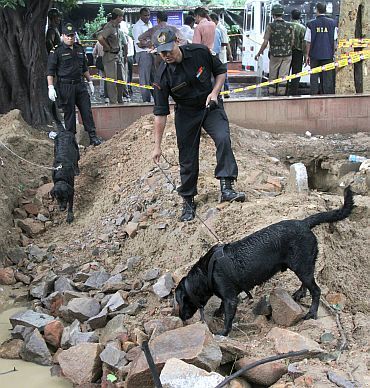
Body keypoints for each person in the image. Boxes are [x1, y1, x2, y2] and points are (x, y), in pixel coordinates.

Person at [151, 28, 245, 222]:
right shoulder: (162, 76)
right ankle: (188, 200)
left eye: (168, 49)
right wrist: (157, 146)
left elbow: (220, 72)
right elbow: (160, 114)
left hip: (210, 105)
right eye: (162, 52)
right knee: (187, 156)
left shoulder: (200, 52)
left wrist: (215, 93)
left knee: (223, 138)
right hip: (186, 113)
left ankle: (227, 187)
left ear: (177, 41)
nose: (166, 55)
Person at [47, 23, 102, 146]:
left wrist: (90, 82)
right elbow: (50, 71)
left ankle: (93, 137)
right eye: (67, 36)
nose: (70, 38)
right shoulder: (57, 51)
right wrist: (50, 87)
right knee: (69, 113)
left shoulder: (79, 48)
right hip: (65, 86)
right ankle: (71, 140)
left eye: (72, 36)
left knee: (86, 111)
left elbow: (84, 68)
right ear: (62, 36)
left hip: (80, 84)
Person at [254, 4, 293, 96]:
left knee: (273, 75)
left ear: (273, 14)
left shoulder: (270, 26)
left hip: (274, 55)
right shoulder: (289, 26)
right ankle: (281, 94)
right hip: (287, 55)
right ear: (282, 14)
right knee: (283, 76)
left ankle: (272, 93)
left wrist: (259, 53)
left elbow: (265, 42)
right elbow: (292, 41)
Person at [305, 3, 337, 95]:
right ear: (325, 10)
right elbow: (334, 40)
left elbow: (308, 41)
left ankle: (314, 95)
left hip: (314, 55)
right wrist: (334, 53)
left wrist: (307, 55)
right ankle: (327, 95)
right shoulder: (332, 23)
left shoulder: (311, 24)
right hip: (328, 55)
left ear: (316, 10)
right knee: (328, 78)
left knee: (314, 77)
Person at [97, 8, 126, 104]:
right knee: (111, 81)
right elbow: (100, 38)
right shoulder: (109, 26)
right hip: (109, 56)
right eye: (121, 16)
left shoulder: (117, 27)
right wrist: (107, 47)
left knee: (121, 79)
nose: (122, 18)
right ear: (117, 17)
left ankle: (120, 99)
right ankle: (113, 102)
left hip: (118, 56)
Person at [132, 8, 153, 102]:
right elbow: (139, 43)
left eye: (148, 15)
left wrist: (148, 42)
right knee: (144, 78)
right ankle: (146, 100)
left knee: (153, 77)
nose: (147, 17)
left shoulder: (150, 24)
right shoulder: (137, 26)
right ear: (140, 15)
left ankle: (156, 99)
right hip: (143, 53)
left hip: (151, 52)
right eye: (145, 15)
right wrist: (150, 43)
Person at [210, 13, 232, 97]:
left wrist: (216, 44)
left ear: (215, 20)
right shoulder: (214, 28)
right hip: (215, 55)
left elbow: (226, 43)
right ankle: (217, 93)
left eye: (211, 20)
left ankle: (226, 92)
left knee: (224, 75)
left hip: (221, 55)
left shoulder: (221, 29)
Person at [289, 9, 306, 95]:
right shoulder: (302, 28)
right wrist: (306, 55)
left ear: (291, 16)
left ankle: (284, 90)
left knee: (285, 72)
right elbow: (304, 42)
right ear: (300, 17)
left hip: (287, 53)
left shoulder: (287, 25)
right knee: (296, 73)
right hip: (298, 53)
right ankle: (293, 91)